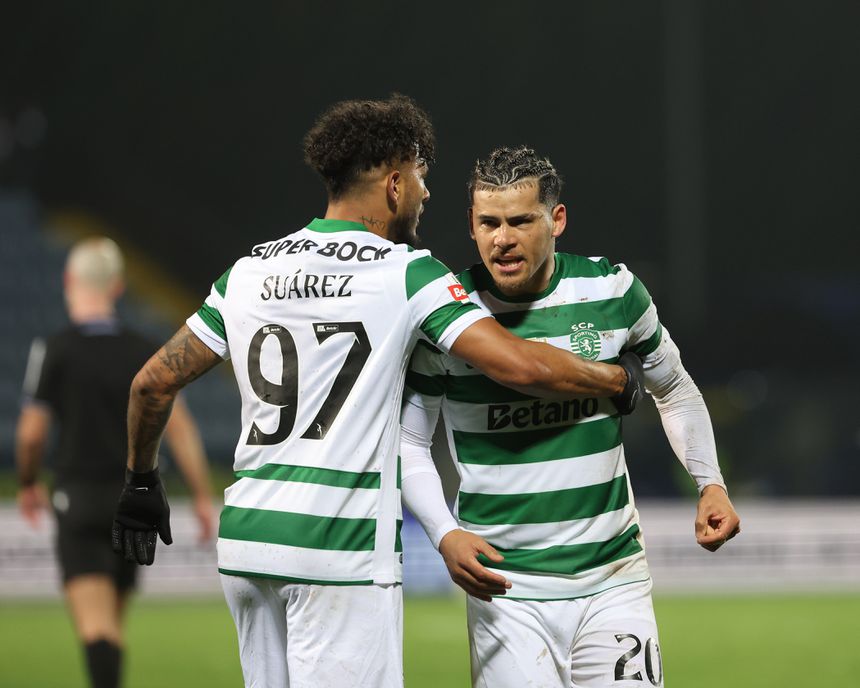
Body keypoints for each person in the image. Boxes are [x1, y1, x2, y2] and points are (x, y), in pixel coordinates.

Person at [110, 95, 645, 688]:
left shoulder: (249, 271)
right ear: (394, 183)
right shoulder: (406, 272)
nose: (425, 193)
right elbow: (520, 366)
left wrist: (140, 480)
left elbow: (152, 382)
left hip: (248, 546)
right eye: (420, 177)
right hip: (339, 546)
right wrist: (615, 379)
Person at [400, 146, 742, 688]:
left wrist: (711, 483)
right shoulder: (449, 316)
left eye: (520, 221)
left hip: (613, 581)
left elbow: (674, 389)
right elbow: (409, 443)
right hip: (506, 592)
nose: (502, 239)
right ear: (471, 224)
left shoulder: (614, 291)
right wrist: (443, 533)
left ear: (556, 220)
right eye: (488, 222)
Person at [15, 237, 215, 688]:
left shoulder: (55, 349)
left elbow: (31, 434)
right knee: (113, 628)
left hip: (78, 499)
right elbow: (181, 429)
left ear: (69, 281)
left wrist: (28, 481)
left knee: (96, 629)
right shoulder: (144, 351)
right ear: (118, 286)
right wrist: (202, 495)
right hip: (131, 500)